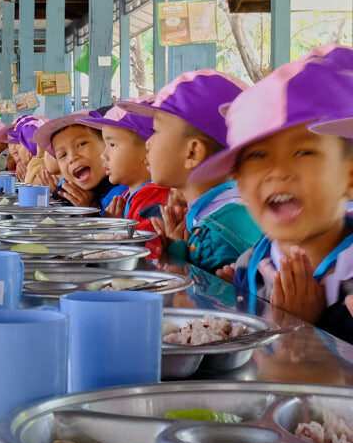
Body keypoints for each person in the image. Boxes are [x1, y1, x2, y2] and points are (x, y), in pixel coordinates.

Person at [192, 46, 353, 342]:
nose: (278, 171)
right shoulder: (249, 267)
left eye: (304, 151)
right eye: (257, 155)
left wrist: (307, 329)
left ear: (349, 177)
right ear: (238, 182)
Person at [121, 70, 262, 275]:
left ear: (193, 152)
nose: (148, 143)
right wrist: (177, 251)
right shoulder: (223, 211)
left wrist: (177, 265)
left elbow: (199, 302)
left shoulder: (216, 235)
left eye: (156, 131)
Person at [79, 101, 171, 256]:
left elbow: (147, 257)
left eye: (113, 145)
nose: (104, 155)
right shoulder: (128, 196)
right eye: (105, 145)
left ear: (148, 151)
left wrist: (115, 230)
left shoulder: (153, 199)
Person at [35, 111, 125, 212]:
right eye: (63, 155)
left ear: (106, 144)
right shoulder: (67, 189)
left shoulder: (121, 194)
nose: (72, 158)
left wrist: (90, 212)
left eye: (82, 144)